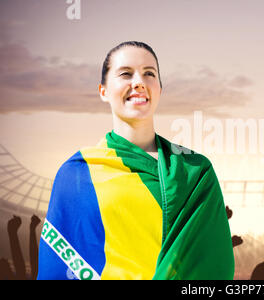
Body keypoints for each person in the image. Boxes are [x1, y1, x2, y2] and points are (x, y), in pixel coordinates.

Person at [37, 41, 234, 280]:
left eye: (149, 73)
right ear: (103, 90)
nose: (139, 82)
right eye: (126, 73)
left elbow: (213, 262)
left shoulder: (195, 171)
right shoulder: (76, 174)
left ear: (160, 88)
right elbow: (58, 268)